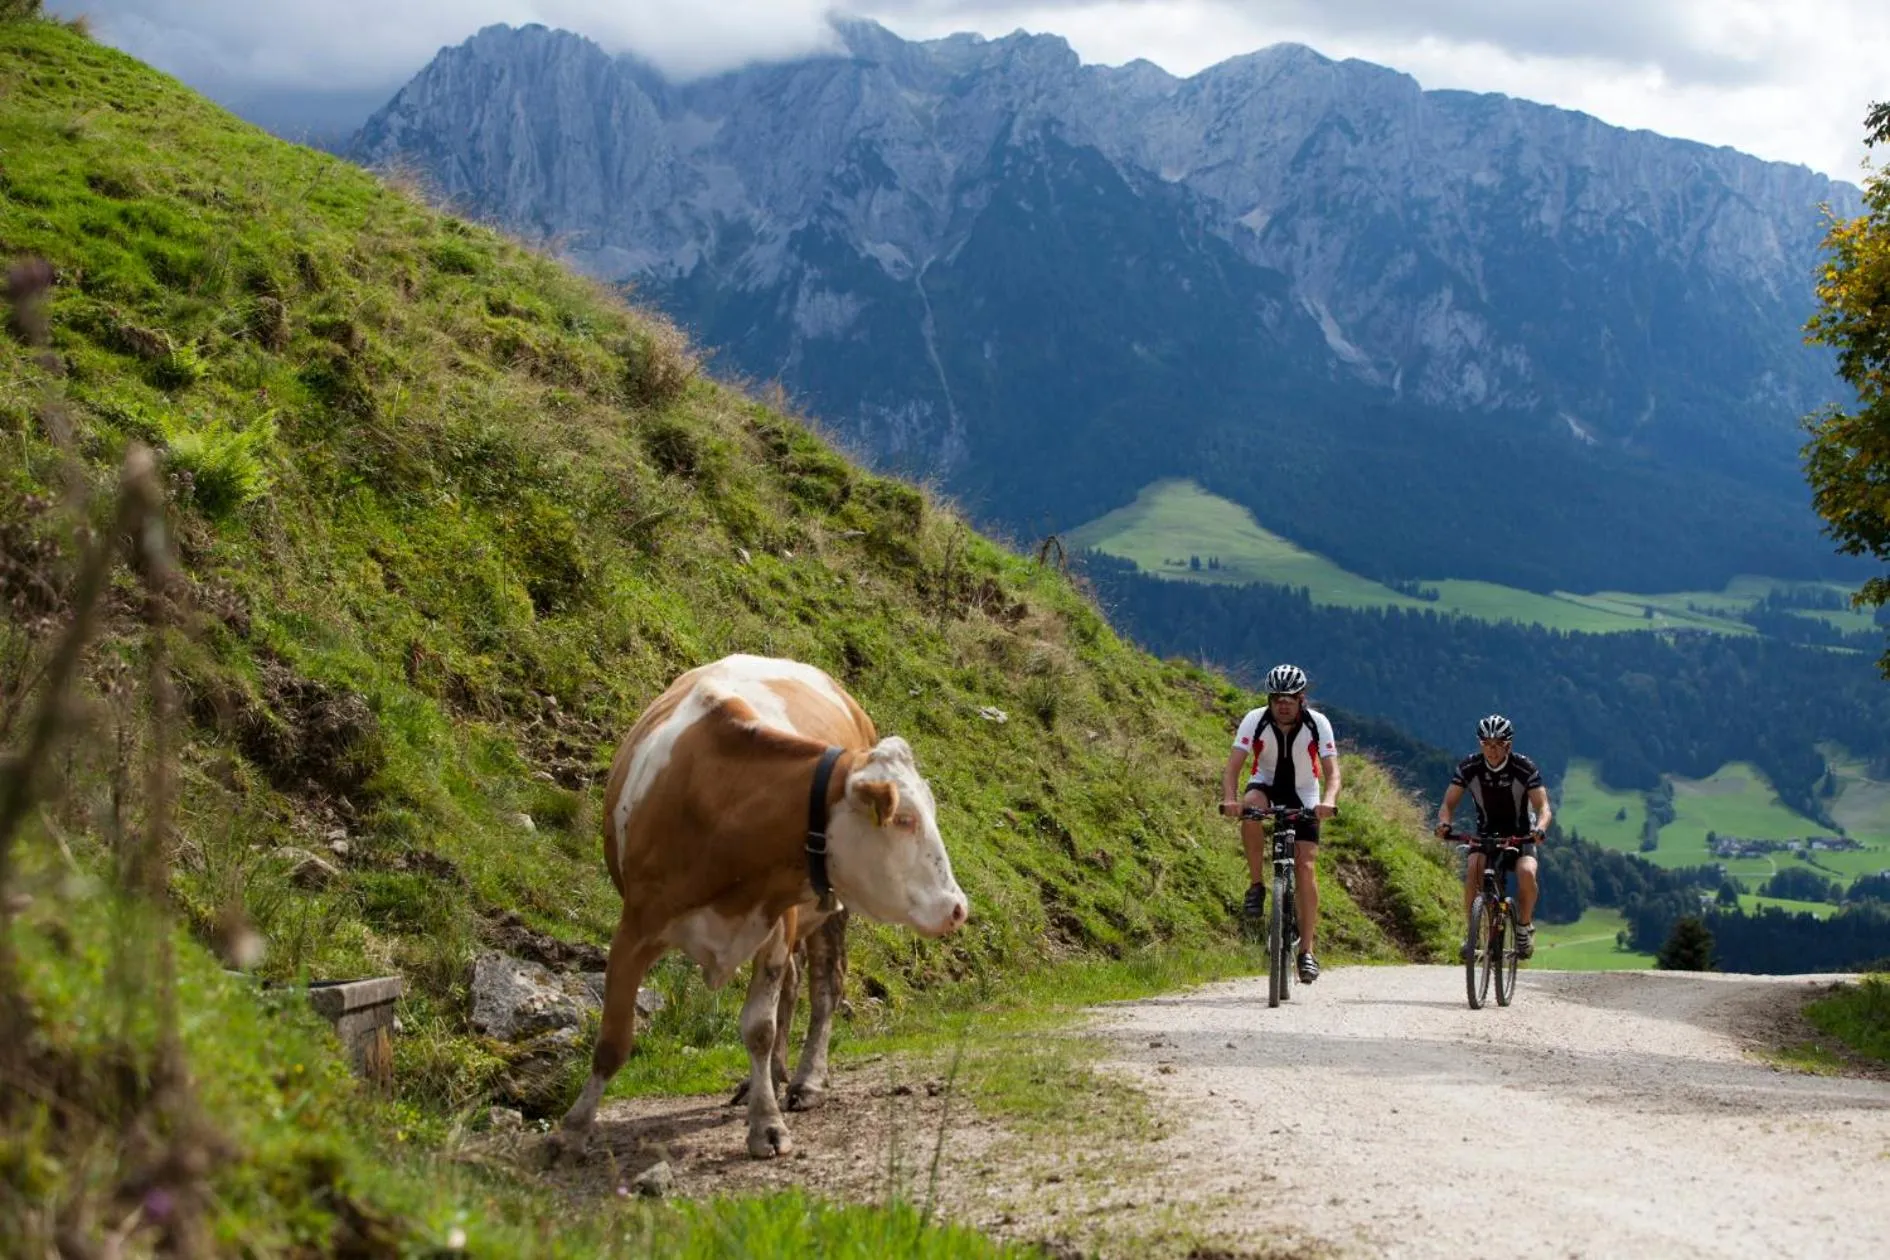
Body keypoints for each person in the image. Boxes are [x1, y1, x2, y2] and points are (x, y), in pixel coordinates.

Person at [1220, 663, 1341, 983]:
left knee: (1305, 866)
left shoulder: (1318, 724)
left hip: (1305, 793)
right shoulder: (1254, 720)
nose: (1282, 704)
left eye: (1289, 698)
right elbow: (1233, 768)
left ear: (1301, 698)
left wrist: (1328, 802)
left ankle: (1308, 952)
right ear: (1269, 699)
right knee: (1250, 809)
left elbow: (1333, 772)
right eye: (1276, 698)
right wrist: (1231, 800)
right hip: (1266, 785)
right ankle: (1257, 885)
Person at [1433, 714, 1552, 959]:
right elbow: (1448, 803)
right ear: (1480, 744)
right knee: (1474, 865)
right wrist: (1444, 824)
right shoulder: (1469, 767)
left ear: (1508, 745)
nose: (1492, 750)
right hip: (1486, 833)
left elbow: (1543, 807)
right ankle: (1473, 933)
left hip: (1521, 835)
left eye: (1498, 744)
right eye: (1487, 743)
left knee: (1527, 872)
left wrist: (1540, 828)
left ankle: (1523, 927)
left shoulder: (1523, 767)